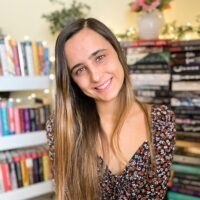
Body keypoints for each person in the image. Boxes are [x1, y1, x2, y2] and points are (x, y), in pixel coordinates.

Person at [46, 18, 176, 200]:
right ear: (72, 80)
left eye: (99, 57)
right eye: (80, 69)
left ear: (118, 51)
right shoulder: (61, 127)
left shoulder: (160, 120)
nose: (96, 76)